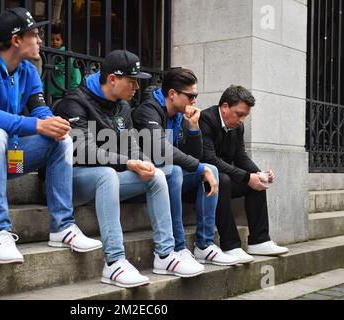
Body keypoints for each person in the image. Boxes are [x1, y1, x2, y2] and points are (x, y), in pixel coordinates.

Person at [0, 7, 101, 265]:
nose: (41, 41)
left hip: (6, 163)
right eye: (35, 35)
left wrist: (53, 123)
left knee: (60, 141)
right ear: (16, 40)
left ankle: (62, 227)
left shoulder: (28, 71)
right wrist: (37, 125)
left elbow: (40, 108)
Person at [53, 50, 204, 288]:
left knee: (157, 174)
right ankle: (114, 262)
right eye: (131, 80)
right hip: (72, 181)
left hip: (108, 180)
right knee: (107, 174)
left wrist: (144, 163)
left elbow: (132, 147)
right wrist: (127, 163)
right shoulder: (74, 102)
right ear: (112, 79)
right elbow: (81, 151)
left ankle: (165, 255)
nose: (136, 86)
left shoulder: (123, 107)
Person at [133, 68, 239, 266]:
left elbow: (193, 156)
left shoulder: (180, 116)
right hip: (145, 179)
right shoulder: (147, 110)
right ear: (172, 94)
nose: (194, 101)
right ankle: (178, 247)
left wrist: (193, 127)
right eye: (191, 96)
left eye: (196, 96)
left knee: (211, 169)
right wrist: (200, 168)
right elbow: (161, 150)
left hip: (169, 178)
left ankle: (204, 245)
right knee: (177, 171)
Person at [199, 85, 289, 263]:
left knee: (256, 184)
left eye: (245, 115)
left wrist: (258, 173)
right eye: (239, 114)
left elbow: (240, 156)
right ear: (225, 107)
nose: (242, 120)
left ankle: (259, 240)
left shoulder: (237, 127)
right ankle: (231, 245)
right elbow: (209, 159)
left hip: (221, 179)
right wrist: (248, 177)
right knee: (223, 179)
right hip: (201, 180)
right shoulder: (206, 120)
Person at [48, 22, 82, 101]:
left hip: (65, 94)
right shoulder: (49, 56)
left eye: (57, 39)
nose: (55, 42)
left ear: (62, 41)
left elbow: (76, 76)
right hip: (53, 93)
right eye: (52, 39)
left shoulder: (66, 56)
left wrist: (71, 91)